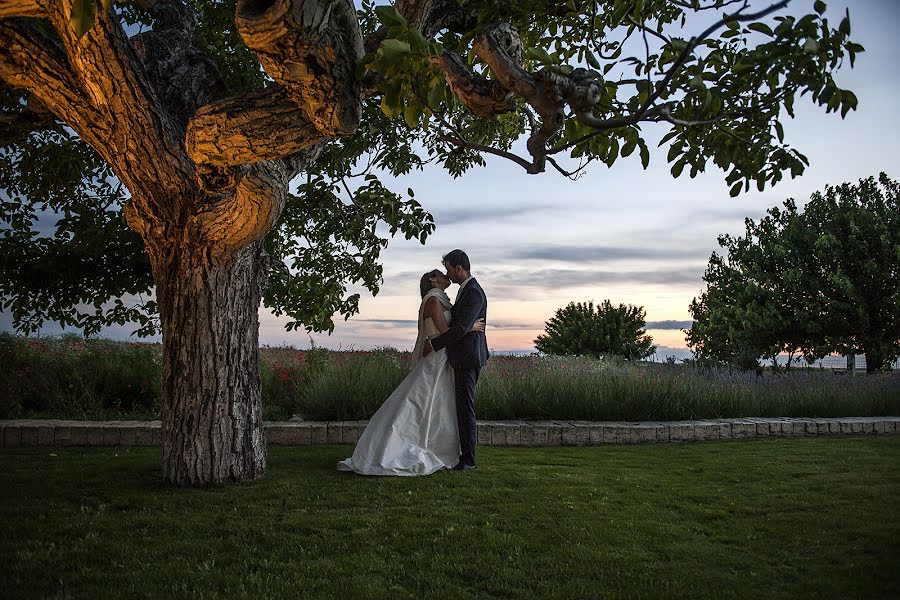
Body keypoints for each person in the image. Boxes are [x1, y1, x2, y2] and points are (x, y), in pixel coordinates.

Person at [337, 269, 485, 476]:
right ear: (432, 280)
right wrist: (470, 327)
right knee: (421, 402)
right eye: (440, 274)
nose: (446, 276)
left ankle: (437, 447)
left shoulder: (442, 300)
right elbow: (445, 332)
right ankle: (401, 447)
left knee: (437, 405)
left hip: (443, 357)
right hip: (436, 358)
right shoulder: (432, 300)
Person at [422, 249, 488, 471]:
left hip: (468, 358)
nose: (447, 274)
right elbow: (461, 325)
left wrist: (434, 344)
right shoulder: (465, 291)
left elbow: (458, 328)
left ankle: (468, 460)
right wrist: (469, 327)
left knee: (465, 408)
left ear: (459, 268)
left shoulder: (474, 293)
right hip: (461, 357)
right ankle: (462, 454)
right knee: (460, 408)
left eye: (449, 268)